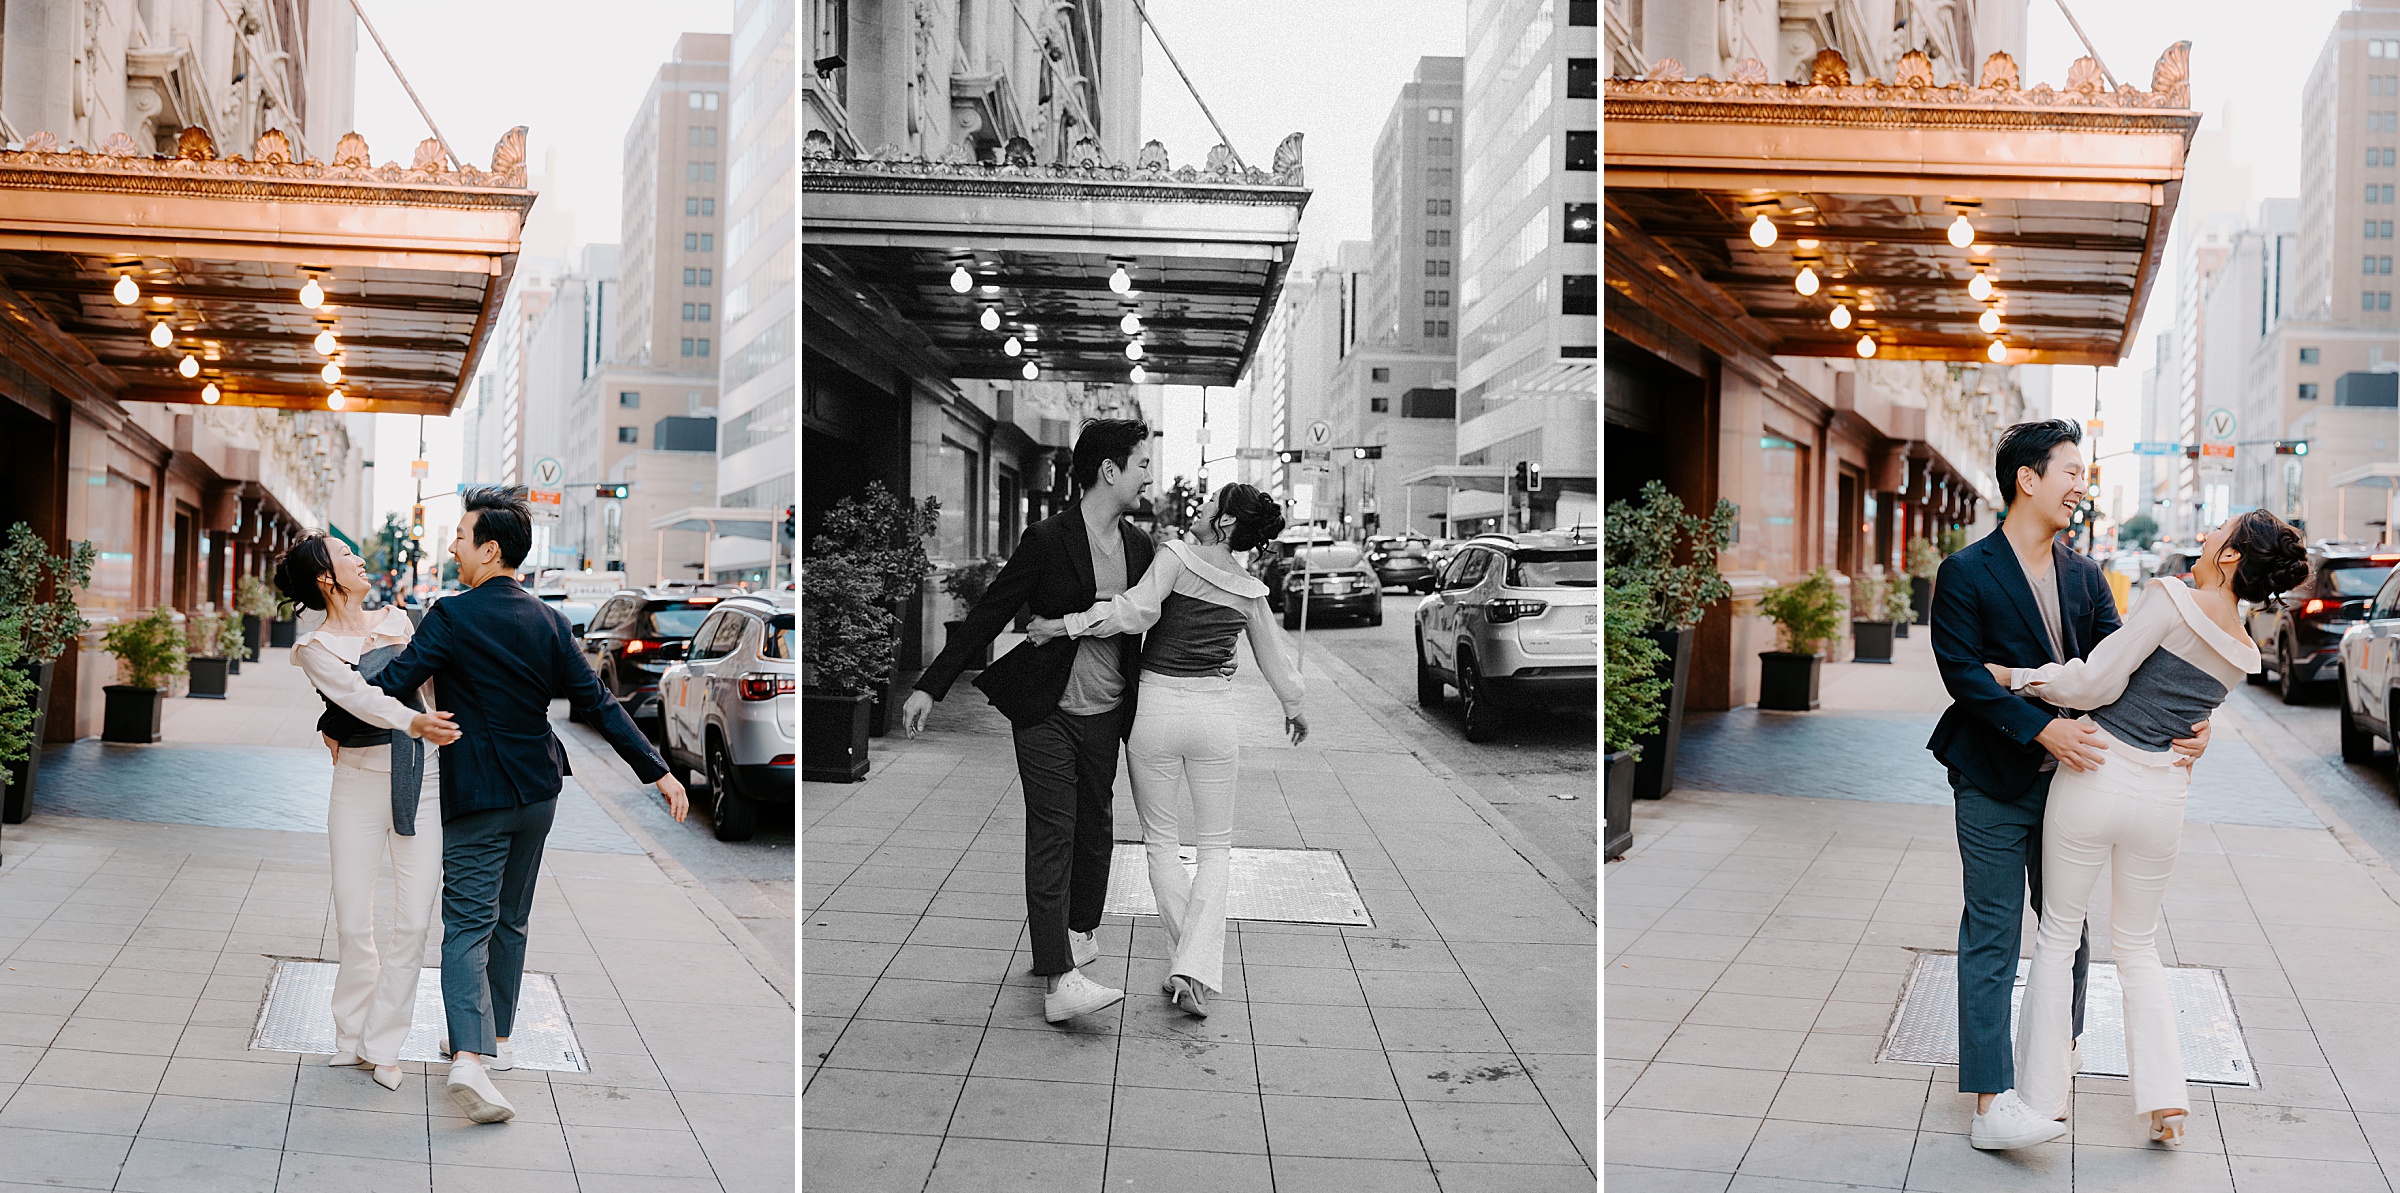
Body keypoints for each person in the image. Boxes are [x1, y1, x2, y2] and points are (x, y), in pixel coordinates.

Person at [1925, 419, 2212, 1151]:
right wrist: (2039, 726)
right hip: (1991, 776)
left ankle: (2056, 1060)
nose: (2082, 486)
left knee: (2068, 928)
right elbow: (1962, 674)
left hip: (2076, 786)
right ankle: (1991, 1100)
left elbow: (2129, 666)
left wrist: (2194, 728)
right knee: (1992, 931)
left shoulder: (2087, 575)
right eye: (2072, 472)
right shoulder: (1966, 571)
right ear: (2029, 478)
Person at [363, 485, 688, 1123]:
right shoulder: (549, 622)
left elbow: (393, 686)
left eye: (460, 538)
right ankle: (498, 1042)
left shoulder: (451, 617)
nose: (452, 546)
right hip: (539, 792)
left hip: (478, 792)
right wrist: (660, 773)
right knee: (510, 919)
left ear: (489, 550)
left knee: (466, 924)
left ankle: (470, 1062)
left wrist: (339, 707)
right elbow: (598, 705)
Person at [1990, 510, 2295, 1147]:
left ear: (2233, 557)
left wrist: (2016, 678)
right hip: (2164, 796)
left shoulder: (2171, 600)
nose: (2209, 535)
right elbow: (2189, 715)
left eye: (2220, 532)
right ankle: (2165, 1102)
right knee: (2138, 947)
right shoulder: (2243, 649)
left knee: (2055, 936)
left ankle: (2040, 1101)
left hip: (2097, 772)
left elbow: (2097, 682)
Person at [902, 419, 1156, 1024]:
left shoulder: (1141, 548)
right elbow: (993, 608)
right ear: (1109, 471)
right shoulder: (1048, 538)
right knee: (1052, 833)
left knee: (1097, 829)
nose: (1150, 474)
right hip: (1047, 710)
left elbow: (1152, 624)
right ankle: (1059, 980)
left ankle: (1073, 933)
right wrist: (931, 687)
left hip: (1109, 710)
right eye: (1142, 463)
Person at [1026, 483, 1307, 1017]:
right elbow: (1276, 662)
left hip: (1154, 712)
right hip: (1214, 719)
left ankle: (1188, 965)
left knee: (1161, 843)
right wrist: (1295, 707)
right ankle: (1193, 969)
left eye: (1209, 505)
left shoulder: (1174, 556)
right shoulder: (1250, 591)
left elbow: (1132, 613)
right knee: (1216, 849)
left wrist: (1065, 626)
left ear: (1224, 523)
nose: (1198, 509)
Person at [277, 534, 461, 1093]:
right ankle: (349, 1035)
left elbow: (429, 687)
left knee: (414, 921)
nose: (360, 559)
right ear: (325, 580)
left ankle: (385, 1044)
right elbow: (359, 698)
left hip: (418, 781)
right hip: (356, 785)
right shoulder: (314, 648)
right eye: (346, 556)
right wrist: (411, 720)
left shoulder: (399, 622)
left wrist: (425, 724)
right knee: (354, 921)